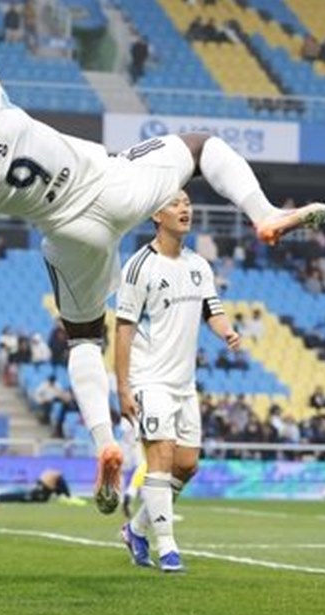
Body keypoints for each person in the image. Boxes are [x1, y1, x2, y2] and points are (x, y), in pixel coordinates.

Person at [0, 25, 325, 515]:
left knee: (84, 339)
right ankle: (264, 215)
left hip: (72, 235)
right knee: (201, 148)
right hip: (111, 186)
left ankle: (105, 442)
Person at [114, 191, 239, 573]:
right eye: (176, 203)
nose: (185, 208)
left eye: (188, 201)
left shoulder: (198, 264)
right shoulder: (139, 267)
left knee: (187, 465)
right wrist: (123, 387)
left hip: (185, 382)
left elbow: (212, 310)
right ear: (155, 214)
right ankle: (167, 548)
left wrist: (227, 331)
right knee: (161, 458)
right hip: (149, 379)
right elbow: (123, 329)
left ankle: (136, 529)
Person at [0, 469, 71, 503]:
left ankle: (64, 496)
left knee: (52, 473)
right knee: (53, 474)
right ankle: (67, 497)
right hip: (34, 496)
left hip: (34, 491)